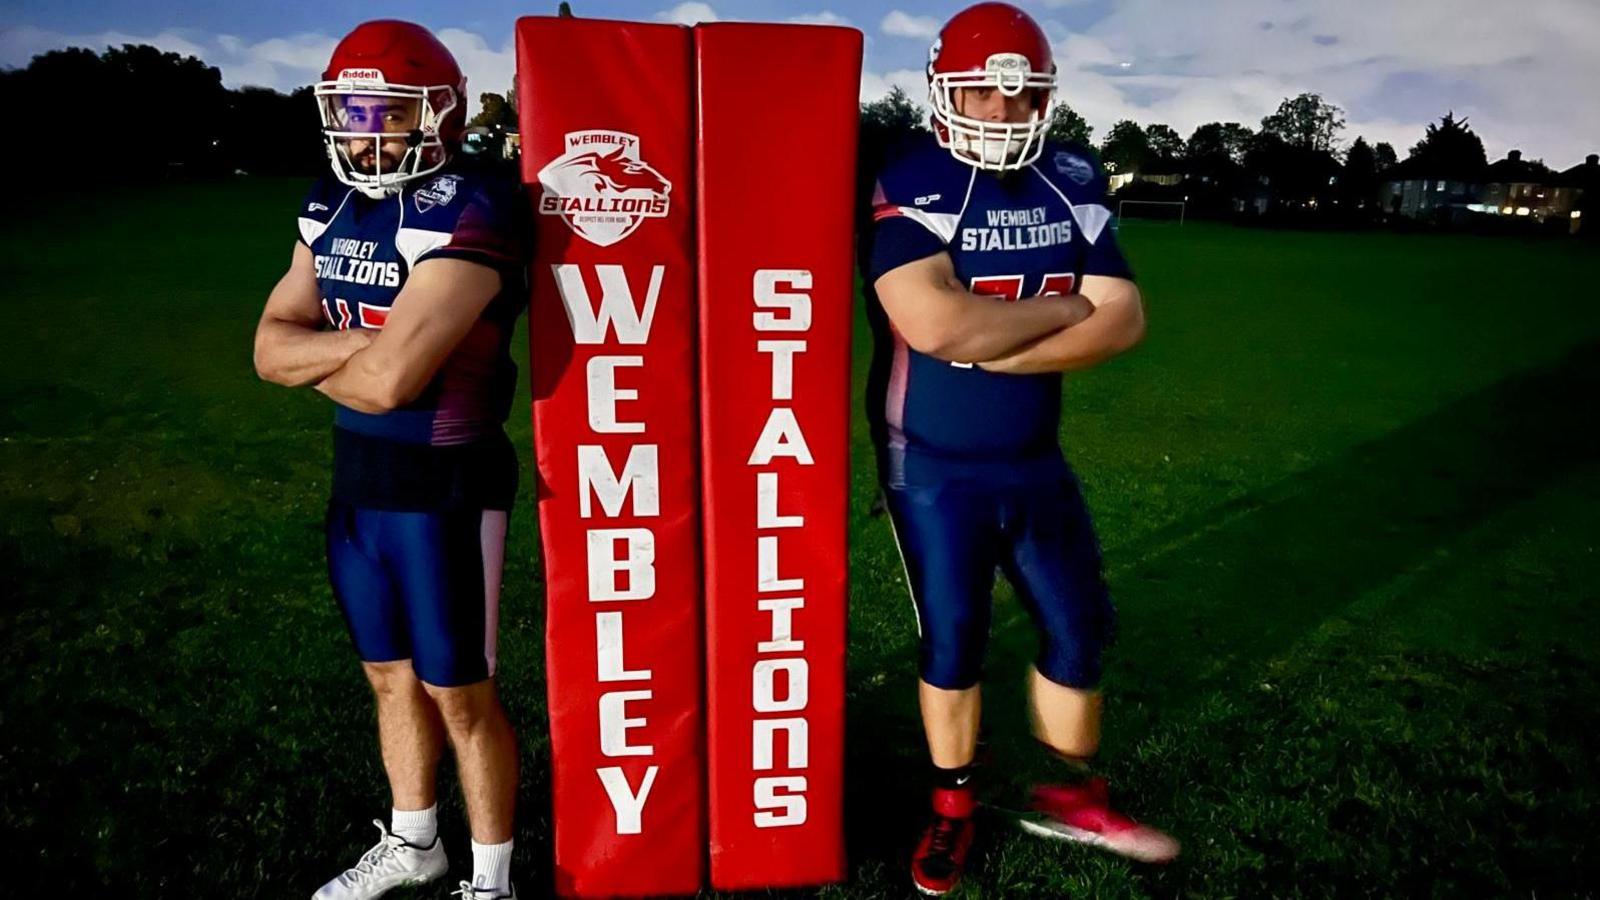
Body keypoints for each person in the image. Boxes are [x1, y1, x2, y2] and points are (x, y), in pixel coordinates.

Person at [861, 3, 1179, 894]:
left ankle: (1073, 795)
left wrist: (988, 342)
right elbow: (929, 320)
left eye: (1020, 96)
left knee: (1080, 627)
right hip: (930, 461)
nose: (1001, 114)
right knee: (953, 642)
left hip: (1034, 455)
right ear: (942, 90)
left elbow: (1123, 319)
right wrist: (1058, 308)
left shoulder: (1071, 174)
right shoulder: (910, 175)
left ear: (1044, 95)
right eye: (981, 94)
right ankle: (952, 809)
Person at [252, 19, 528, 900]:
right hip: (360, 484)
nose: (366, 128)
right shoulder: (329, 203)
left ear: (436, 115)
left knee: (461, 692)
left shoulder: (475, 205)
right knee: (387, 674)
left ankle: (491, 878)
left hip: (446, 484)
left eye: (388, 109)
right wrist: (361, 347)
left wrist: (336, 353)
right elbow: (265, 349)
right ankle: (416, 843)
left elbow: (393, 382)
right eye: (352, 106)